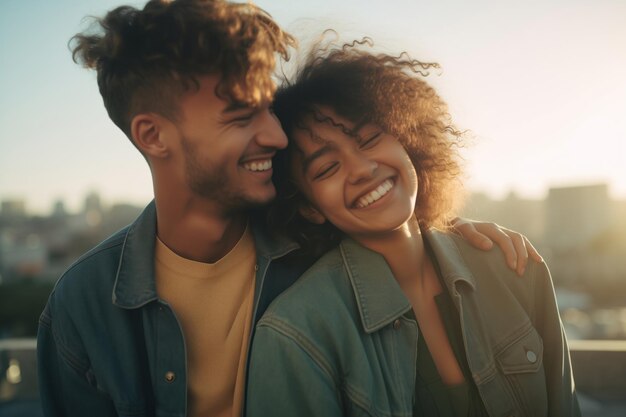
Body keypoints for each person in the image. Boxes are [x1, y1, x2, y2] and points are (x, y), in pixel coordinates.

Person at [37, 1, 542, 416]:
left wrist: (452, 231)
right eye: (241, 116)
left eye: (268, 110)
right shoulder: (82, 308)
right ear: (153, 135)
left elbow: (391, 214)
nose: (276, 136)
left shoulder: (313, 240)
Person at [246, 41, 580, 417]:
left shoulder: (515, 268)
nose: (361, 169)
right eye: (326, 169)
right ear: (309, 207)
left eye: (370, 139)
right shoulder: (298, 335)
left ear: (405, 136)